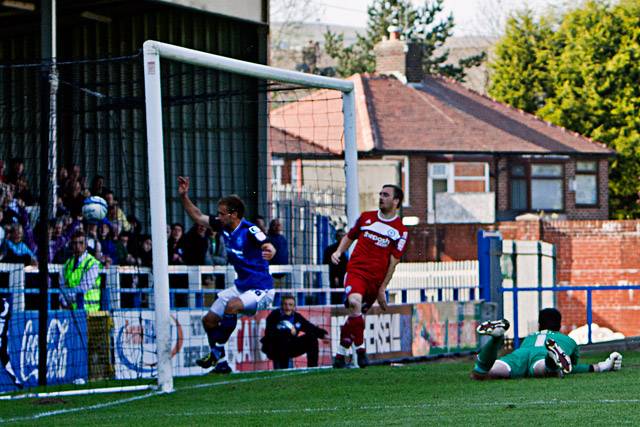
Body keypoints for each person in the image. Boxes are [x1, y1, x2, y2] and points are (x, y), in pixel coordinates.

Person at [178, 176, 276, 374]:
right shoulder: (222, 225)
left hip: (261, 290)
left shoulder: (250, 229)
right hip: (241, 287)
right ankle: (221, 363)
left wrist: (270, 250)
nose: (218, 217)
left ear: (234, 214)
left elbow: (266, 243)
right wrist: (183, 196)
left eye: (222, 214)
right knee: (209, 320)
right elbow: (198, 216)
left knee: (231, 306)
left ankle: (215, 352)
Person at [331, 185, 408, 369]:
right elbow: (350, 236)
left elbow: (393, 262)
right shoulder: (366, 218)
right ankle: (361, 350)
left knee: (355, 317)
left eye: (386, 195)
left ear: (396, 201)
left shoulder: (400, 230)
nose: (381, 197)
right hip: (356, 272)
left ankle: (340, 356)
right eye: (380, 194)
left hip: (375, 280)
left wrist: (382, 288)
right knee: (355, 303)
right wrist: (339, 251)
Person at [471, 308, 623, 380]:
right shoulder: (568, 340)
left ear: (539, 325)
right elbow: (571, 367)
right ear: (559, 325)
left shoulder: (530, 336)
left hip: (521, 354)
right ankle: (551, 359)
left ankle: (496, 339)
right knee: (548, 370)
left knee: (481, 373)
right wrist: (600, 367)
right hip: (541, 356)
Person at [261, 295, 328, 369]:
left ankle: (312, 369)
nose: (288, 307)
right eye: (285, 304)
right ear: (281, 305)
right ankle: (282, 369)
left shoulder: (297, 317)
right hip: (275, 347)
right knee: (281, 342)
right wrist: (287, 332)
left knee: (311, 339)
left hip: (291, 346)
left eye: (290, 305)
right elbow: (269, 334)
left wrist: (323, 335)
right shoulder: (274, 315)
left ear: (294, 307)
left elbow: (309, 327)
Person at [59, 230, 103, 312]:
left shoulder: (92, 264)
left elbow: (83, 288)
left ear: (86, 245)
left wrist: (68, 299)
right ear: (71, 245)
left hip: (90, 312)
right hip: (70, 311)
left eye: (81, 243)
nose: (78, 246)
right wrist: (65, 303)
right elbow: (62, 287)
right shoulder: (67, 264)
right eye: (75, 243)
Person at [0, 297, 22, 389]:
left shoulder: (5, 307)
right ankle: (15, 379)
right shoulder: (7, 306)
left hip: (2, 338)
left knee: (5, 359)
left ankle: (15, 379)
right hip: (3, 338)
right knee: (5, 359)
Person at [323, 229, 348, 304]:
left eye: (343, 236)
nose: (341, 238)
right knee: (337, 297)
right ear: (336, 237)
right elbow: (328, 264)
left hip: (349, 276)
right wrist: (335, 276)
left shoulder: (350, 247)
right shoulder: (330, 249)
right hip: (338, 278)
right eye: (339, 236)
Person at [268, 218, 289, 285]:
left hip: (283, 273)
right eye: (275, 225)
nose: (277, 227)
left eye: (279, 225)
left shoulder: (283, 239)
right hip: (270, 273)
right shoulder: (267, 239)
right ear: (271, 227)